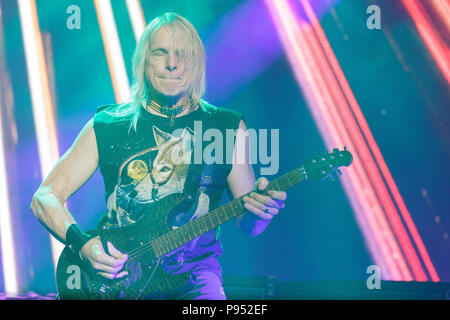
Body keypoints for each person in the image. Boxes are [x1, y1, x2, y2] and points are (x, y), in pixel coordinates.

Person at [31, 12, 286, 300]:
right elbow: (45, 197)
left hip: (193, 280)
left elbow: (249, 225)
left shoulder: (224, 126)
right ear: (143, 62)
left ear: (197, 63)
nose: (172, 63)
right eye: (160, 53)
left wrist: (261, 214)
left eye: (182, 54)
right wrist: (83, 244)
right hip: (118, 280)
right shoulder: (108, 125)